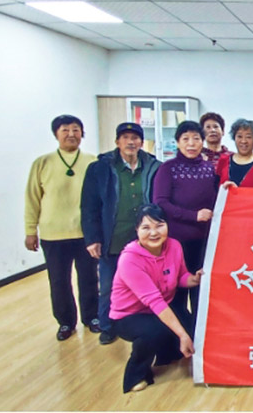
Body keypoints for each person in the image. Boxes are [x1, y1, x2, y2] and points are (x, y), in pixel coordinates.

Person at [82, 122, 162, 345]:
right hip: (113, 237)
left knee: (147, 284)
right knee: (109, 285)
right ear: (117, 142)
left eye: (135, 138)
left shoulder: (154, 166)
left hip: (145, 240)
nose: (130, 142)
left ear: (142, 142)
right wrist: (92, 239)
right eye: (125, 137)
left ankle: (144, 325)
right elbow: (89, 206)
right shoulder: (100, 168)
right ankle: (108, 326)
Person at [110, 204, 202, 393]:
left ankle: (166, 355)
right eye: (146, 228)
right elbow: (155, 302)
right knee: (155, 331)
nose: (153, 233)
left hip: (160, 307)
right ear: (137, 230)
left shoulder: (174, 246)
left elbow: (181, 276)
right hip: (129, 315)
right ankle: (135, 375)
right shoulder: (129, 259)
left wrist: (195, 279)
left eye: (159, 226)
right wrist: (182, 335)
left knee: (193, 328)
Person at [25, 115, 99, 341]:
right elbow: (32, 198)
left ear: (82, 133)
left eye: (76, 129)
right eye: (65, 130)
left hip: (86, 233)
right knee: (58, 281)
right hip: (53, 234)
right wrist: (30, 230)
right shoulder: (42, 163)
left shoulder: (93, 161)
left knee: (89, 278)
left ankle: (92, 317)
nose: (71, 134)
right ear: (56, 134)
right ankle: (66, 322)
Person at [153, 121, 218, 320]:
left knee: (201, 289)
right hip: (176, 242)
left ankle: (197, 332)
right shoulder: (168, 168)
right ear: (178, 142)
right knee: (177, 289)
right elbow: (160, 202)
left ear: (202, 142)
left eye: (196, 138)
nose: (191, 143)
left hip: (205, 241)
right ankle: (177, 333)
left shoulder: (209, 168)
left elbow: (216, 199)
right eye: (186, 139)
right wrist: (193, 215)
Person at [217, 119, 253, 188]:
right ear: (234, 138)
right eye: (239, 136)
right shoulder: (224, 160)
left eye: (248, 137)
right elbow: (216, 188)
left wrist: (238, 191)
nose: (243, 141)